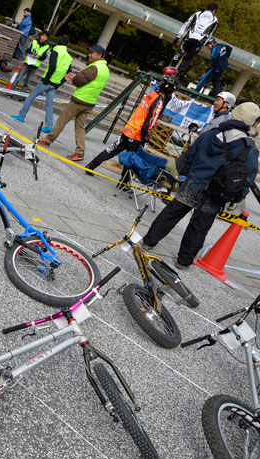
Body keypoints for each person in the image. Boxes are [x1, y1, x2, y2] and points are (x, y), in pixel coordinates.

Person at [141, 101, 260, 270]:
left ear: (233, 114)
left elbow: (189, 157)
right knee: (200, 226)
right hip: (217, 192)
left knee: (172, 213)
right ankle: (183, 261)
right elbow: (247, 177)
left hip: (193, 182)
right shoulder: (248, 147)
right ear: (251, 122)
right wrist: (237, 197)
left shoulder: (210, 134)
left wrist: (184, 178)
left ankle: (148, 241)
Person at [85, 67, 179, 177]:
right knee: (132, 160)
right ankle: (123, 184)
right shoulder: (159, 101)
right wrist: (146, 138)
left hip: (129, 127)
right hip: (137, 134)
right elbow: (150, 121)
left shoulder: (152, 94)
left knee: (111, 150)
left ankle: (91, 165)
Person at [38, 44, 110, 161]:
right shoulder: (105, 69)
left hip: (79, 100)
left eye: (92, 53)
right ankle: (80, 152)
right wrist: (77, 76)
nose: (89, 54)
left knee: (62, 121)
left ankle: (47, 141)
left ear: (99, 55)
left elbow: (80, 81)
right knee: (80, 127)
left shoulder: (94, 67)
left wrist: (74, 77)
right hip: (89, 102)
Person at [11, 35, 72, 133]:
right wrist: (59, 83)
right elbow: (69, 73)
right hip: (55, 84)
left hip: (47, 82)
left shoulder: (56, 52)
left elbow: (52, 67)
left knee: (31, 97)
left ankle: (21, 116)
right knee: (49, 104)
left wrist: (46, 80)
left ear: (57, 42)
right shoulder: (68, 57)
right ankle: (49, 125)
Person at [172, 3, 218, 76]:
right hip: (198, 42)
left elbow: (186, 25)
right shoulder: (215, 20)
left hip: (188, 38)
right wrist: (201, 45)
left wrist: (177, 37)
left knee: (178, 55)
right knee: (186, 60)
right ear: (214, 11)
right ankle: (176, 74)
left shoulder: (197, 14)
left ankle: (170, 71)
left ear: (206, 8)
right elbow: (209, 35)